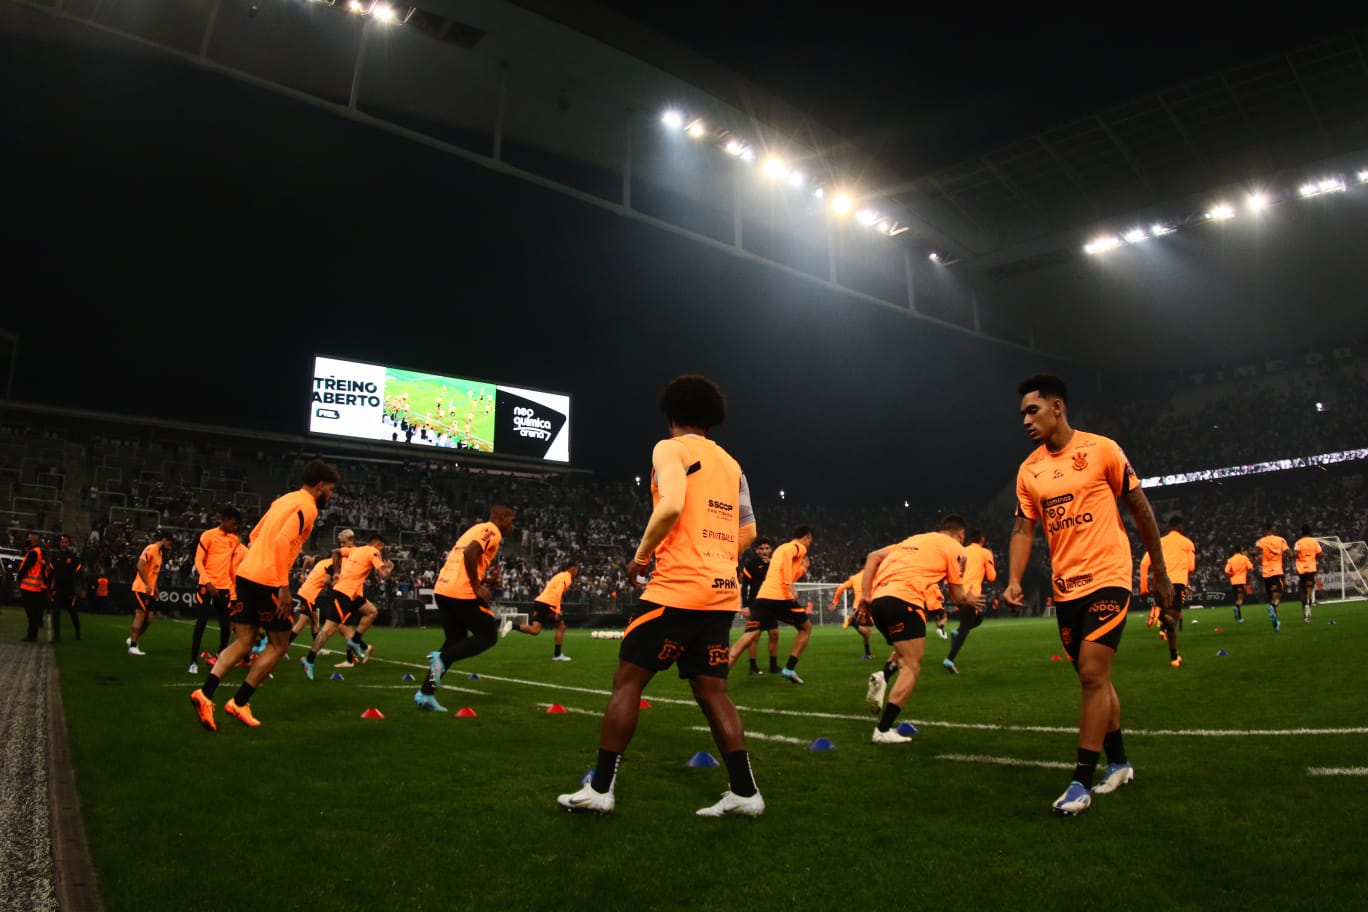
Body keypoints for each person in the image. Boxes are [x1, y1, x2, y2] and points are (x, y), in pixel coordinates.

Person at [557, 374, 763, 817]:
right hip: (721, 592)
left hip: (676, 589)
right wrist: (717, 557)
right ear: (711, 417)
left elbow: (669, 505)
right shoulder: (732, 464)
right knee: (714, 693)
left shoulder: (670, 448)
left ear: (671, 415)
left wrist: (640, 557)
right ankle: (746, 794)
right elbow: (749, 531)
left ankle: (601, 788)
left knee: (627, 682)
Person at [1004, 374, 1172, 817]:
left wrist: (1160, 570)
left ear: (1057, 407)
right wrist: (1015, 579)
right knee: (1094, 678)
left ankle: (1080, 781)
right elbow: (1024, 528)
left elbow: (1140, 508)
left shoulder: (1103, 450)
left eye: (1032, 410)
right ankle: (1118, 763)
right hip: (1066, 588)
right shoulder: (1029, 470)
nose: (1025, 419)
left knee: (1093, 675)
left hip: (1109, 576)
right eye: (1022, 413)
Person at [190, 459, 340, 731]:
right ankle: (239, 702)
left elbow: (257, 534)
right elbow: (282, 541)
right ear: (319, 486)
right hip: (268, 581)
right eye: (330, 489)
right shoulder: (307, 506)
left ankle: (205, 693)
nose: (331, 495)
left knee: (245, 641)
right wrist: (282, 586)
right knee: (280, 645)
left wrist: (261, 560)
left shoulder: (284, 500)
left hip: (247, 574)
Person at [859, 515, 983, 742]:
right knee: (912, 667)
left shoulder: (913, 540)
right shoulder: (955, 548)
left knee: (905, 650)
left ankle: (883, 676)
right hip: (904, 601)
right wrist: (970, 599)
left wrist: (865, 595)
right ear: (961, 534)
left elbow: (873, 556)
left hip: (879, 602)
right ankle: (883, 730)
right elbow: (957, 597)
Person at [413, 504, 518, 712]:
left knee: (455, 641)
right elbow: (470, 553)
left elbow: (466, 557)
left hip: (443, 589)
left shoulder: (475, 529)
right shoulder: (493, 532)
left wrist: (484, 580)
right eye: (511, 520)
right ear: (502, 518)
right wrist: (477, 586)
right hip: (461, 592)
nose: (512, 525)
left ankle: (425, 694)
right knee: (488, 635)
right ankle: (441, 658)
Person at [728, 526, 814, 684]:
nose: (809, 545)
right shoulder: (796, 547)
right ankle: (789, 668)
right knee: (806, 628)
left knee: (750, 635)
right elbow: (787, 569)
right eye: (810, 541)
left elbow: (781, 572)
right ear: (807, 537)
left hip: (763, 598)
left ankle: (720, 671)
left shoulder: (780, 550)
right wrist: (789, 586)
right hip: (780, 597)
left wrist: (802, 569)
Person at [302, 534, 392, 678]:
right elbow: (382, 575)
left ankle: (355, 641)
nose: (382, 550)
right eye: (382, 547)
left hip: (352, 595)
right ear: (378, 544)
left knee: (371, 611)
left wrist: (337, 571)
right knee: (328, 630)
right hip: (344, 593)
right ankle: (309, 660)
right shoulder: (373, 552)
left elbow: (336, 552)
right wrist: (389, 568)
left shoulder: (356, 550)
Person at [189, 508, 242, 674]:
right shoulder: (208, 535)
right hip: (207, 585)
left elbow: (231, 567)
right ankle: (193, 662)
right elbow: (198, 560)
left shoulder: (234, 540)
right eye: (234, 523)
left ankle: (220, 656)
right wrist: (207, 582)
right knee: (201, 623)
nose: (235, 527)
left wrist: (234, 588)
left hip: (224, 587)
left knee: (226, 626)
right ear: (225, 520)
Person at [1139, 516, 1194, 668]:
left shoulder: (1159, 542)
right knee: (1172, 621)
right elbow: (1191, 567)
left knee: (1167, 616)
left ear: (1169, 527)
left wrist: (1143, 589)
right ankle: (1164, 620)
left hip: (1159, 582)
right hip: (1176, 583)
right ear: (1180, 528)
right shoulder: (1187, 543)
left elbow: (1144, 564)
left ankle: (1174, 656)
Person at [944, 529, 996, 673]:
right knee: (966, 629)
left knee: (979, 618)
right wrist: (990, 563)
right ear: (982, 540)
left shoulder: (962, 550)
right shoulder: (985, 552)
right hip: (971, 596)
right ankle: (949, 659)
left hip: (957, 592)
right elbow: (992, 577)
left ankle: (957, 631)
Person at [513, 561, 578, 660]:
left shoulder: (559, 575)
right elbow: (558, 592)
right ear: (572, 568)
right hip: (548, 603)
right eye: (577, 569)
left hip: (540, 601)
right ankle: (557, 655)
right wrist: (557, 610)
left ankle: (512, 626)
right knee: (561, 626)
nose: (577, 572)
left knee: (535, 630)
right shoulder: (567, 577)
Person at [126, 530, 173, 656]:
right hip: (141, 588)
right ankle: (133, 646)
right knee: (140, 615)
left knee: (149, 619)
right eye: (169, 543)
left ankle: (132, 639)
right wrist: (147, 584)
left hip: (150, 590)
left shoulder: (160, 553)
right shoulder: (150, 549)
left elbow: (153, 572)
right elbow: (140, 566)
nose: (169, 546)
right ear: (164, 540)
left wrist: (154, 586)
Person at [739, 538, 781, 674]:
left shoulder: (775, 564)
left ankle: (773, 666)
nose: (764, 551)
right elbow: (744, 587)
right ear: (757, 550)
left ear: (771, 549)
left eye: (767, 548)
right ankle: (753, 667)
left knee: (774, 634)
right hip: (755, 605)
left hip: (771, 605)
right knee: (754, 636)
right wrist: (745, 606)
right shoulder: (751, 564)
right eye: (761, 549)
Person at [829, 566, 873, 659]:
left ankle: (868, 653)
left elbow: (841, 588)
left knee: (866, 633)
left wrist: (835, 601)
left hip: (856, 607)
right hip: (866, 606)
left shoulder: (854, 578)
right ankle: (852, 621)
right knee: (867, 632)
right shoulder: (872, 575)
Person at [1254, 522, 1291, 632]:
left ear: (1265, 530)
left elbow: (1253, 552)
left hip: (1266, 573)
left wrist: (1258, 559)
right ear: (1272, 529)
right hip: (1277, 571)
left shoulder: (1261, 541)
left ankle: (1276, 623)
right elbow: (1289, 553)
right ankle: (1272, 605)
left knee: (1271, 596)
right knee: (1278, 595)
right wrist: (1293, 556)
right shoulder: (1280, 540)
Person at [16, 531, 50, 643]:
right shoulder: (38, 552)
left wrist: (19, 578)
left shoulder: (33, 553)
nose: (27, 540)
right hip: (35, 587)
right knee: (33, 612)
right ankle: (32, 634)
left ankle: (31, 635)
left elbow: (25, 568)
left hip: (28, 587)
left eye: (29, 538)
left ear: (34, 539)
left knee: (31, 613)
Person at [48, 533, 83, 642]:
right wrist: (49, 587)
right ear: (59, 543)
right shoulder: (55, 557)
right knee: (56, 612)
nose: (63, 544)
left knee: (72, 612)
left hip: (69, 590)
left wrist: (81, 587)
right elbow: (50, 574)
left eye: (66, 542)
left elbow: (79, 573)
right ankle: (57, 635)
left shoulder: (73, 558)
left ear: (69, 544)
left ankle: (78, 632)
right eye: (62, 542)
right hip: (57, 589)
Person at [1293, 525, 1322, 623]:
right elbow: (1320, 554)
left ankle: (1304, 604)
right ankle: (1308, 602)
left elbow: (1296, 553)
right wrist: (1314, 556)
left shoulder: (1298, 542)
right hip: (1311, 567)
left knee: (1302, 588)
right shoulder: (1314, 542)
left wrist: (1296, 556)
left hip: (1301, 569)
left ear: (1301, 532)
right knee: (1310, 587)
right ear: (1310, 532)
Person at [1223, 548, 1254, 623]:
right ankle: (1236, 607)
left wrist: (1231, 574)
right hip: (1241, 581)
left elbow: (1226, 571)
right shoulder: (1244, 558)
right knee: (1240, 599)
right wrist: (1246, 572)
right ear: (1240, 551)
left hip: (1233, 582)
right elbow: (1250, 567)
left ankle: (1239, 618)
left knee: (1237, 598)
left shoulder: (1230, 560)